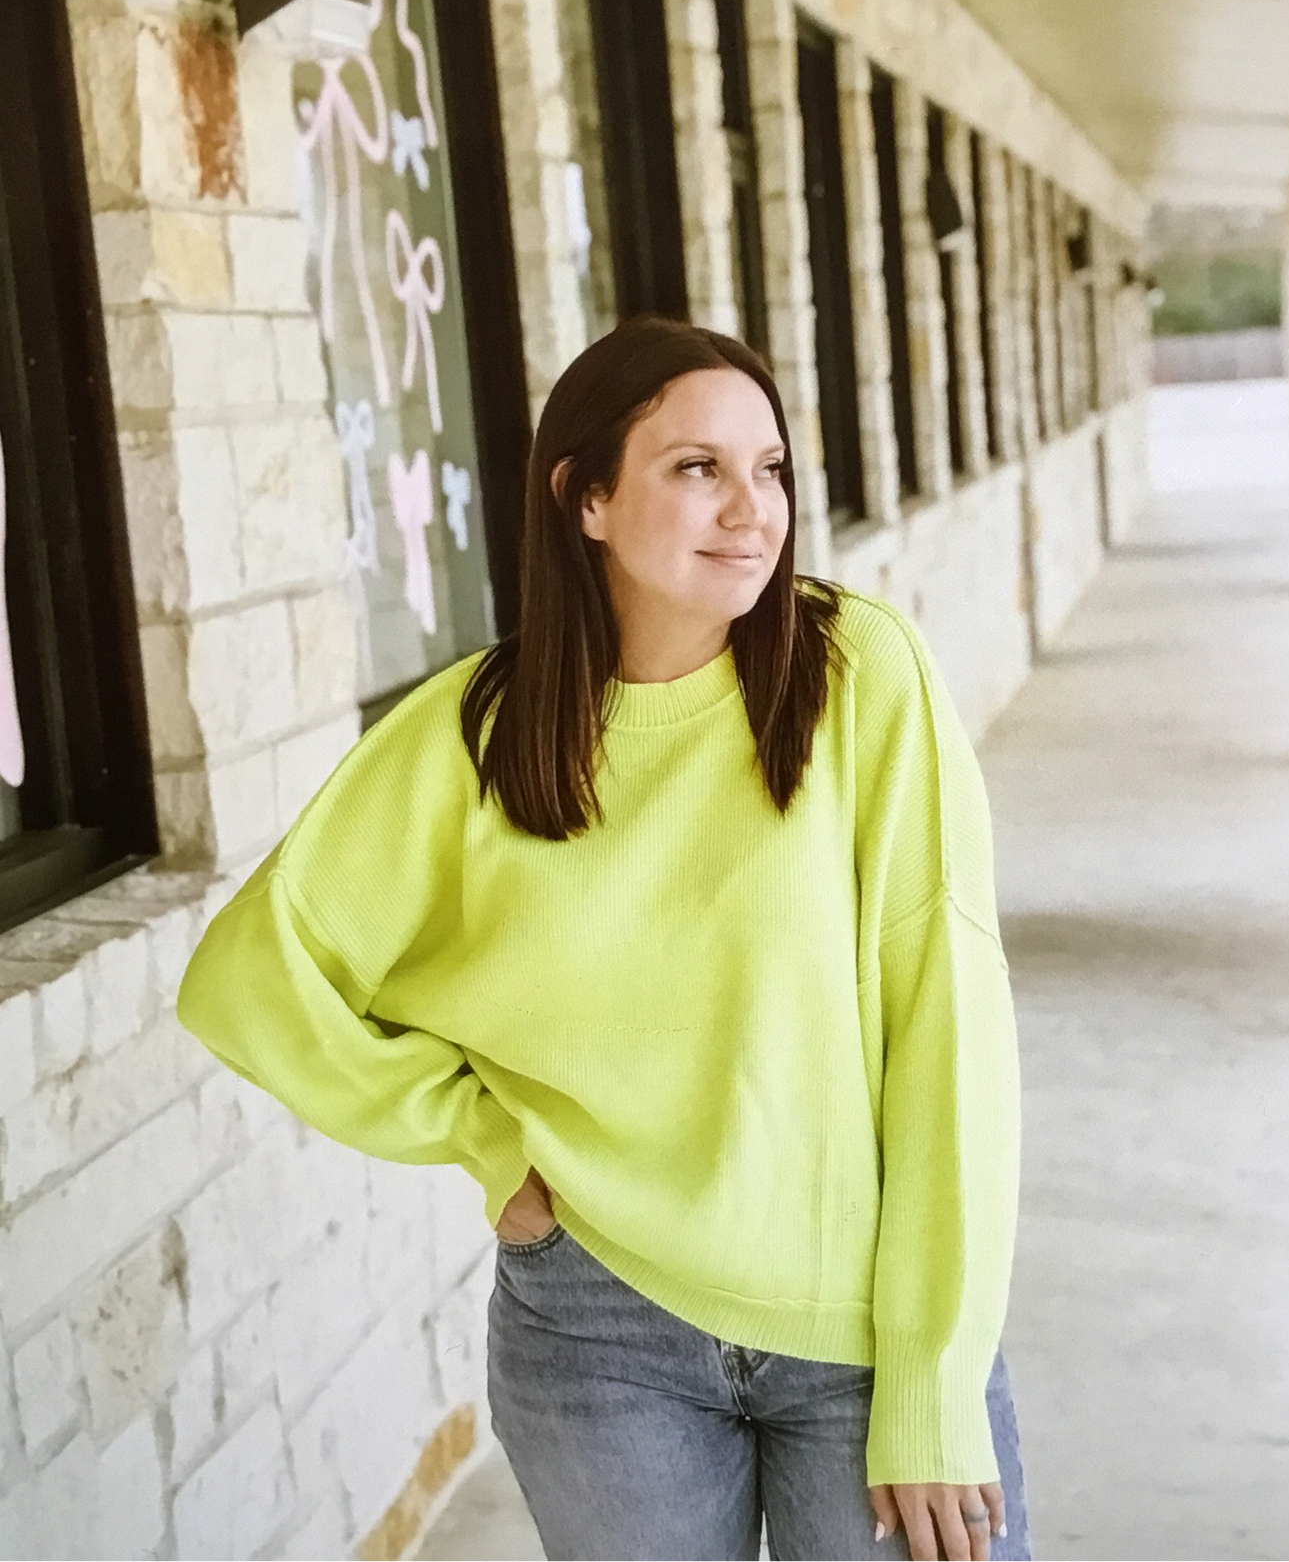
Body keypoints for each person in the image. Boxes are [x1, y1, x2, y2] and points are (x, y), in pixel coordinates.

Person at [177, 315, 1030, 1562]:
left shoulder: (858, 674)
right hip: (598, 1330)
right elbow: (251, 978)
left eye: (771, 467)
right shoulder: (473, 734)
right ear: (586, 498)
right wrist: (476, 1131)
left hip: (857, 1320)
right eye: (697, 466)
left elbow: (946, 1019)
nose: (752, 508)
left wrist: (933, 1377)